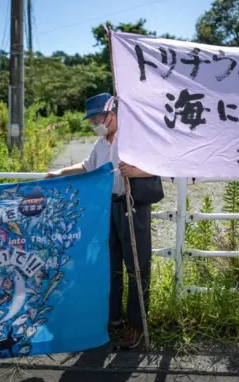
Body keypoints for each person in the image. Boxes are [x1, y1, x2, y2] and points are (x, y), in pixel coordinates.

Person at [45, 93, 160, 349]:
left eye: (97, 117)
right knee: (109, 265)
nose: (94, 122)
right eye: (92, 119)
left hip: (133, 207)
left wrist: (136, 172)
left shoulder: (133, 138)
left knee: (137, 267)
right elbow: (87, 167)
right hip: (109, 208)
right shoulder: (100, 143)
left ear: (111, 114)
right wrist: (58, 172)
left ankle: (137, 324)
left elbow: (160, 165)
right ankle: (113, 319)